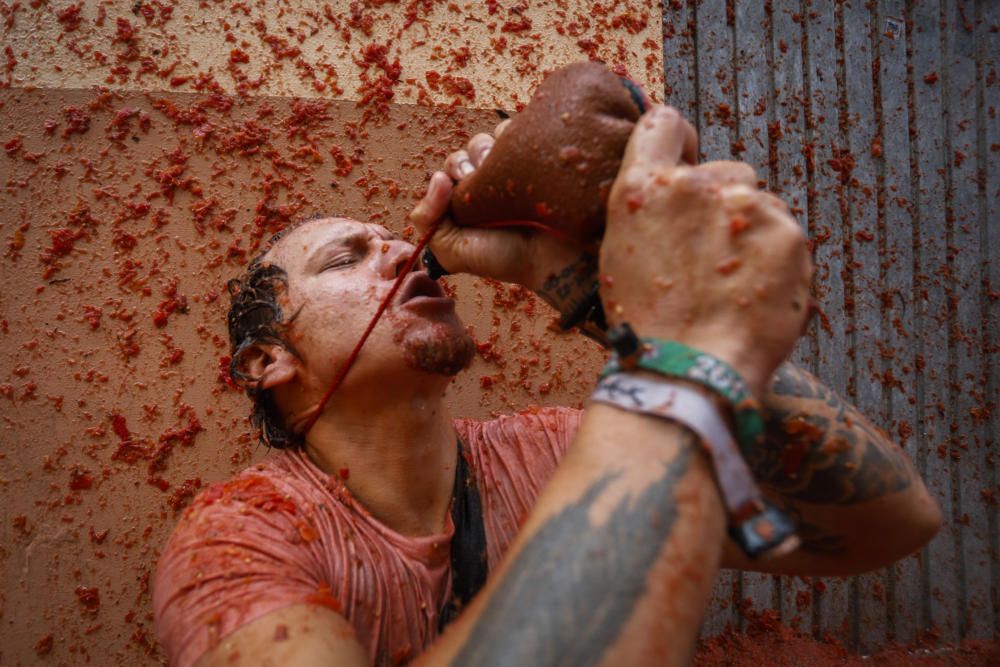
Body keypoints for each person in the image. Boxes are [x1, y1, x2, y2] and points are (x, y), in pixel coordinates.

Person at [153, 106, 941, 667]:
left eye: (395, 241)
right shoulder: (237, 540)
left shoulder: (555, 454)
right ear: (266, 363)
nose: (399, 253)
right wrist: (680, 360)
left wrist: (584, 287)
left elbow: (892, 520)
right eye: (346, 258)